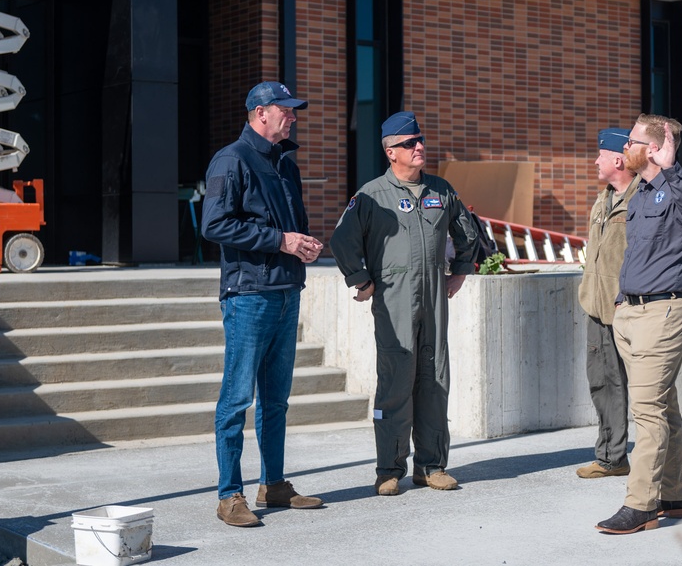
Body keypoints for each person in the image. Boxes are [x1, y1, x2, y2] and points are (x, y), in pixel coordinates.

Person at [329, 111, 481, 497]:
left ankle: (431, 466)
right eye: (409, 144)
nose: (419, 148)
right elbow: (343, 241)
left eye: (420, 141)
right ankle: (388, 469)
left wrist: (460, 270)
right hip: (394, 301)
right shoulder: (370, 195)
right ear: (390, 152)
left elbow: (467, 232)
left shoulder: (441, 191)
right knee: (396, 382)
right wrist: (360, 279)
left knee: (434, 380)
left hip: (433, 301)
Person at [201, 81, 325, 527]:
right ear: (260, 113)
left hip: (285, 292)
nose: (292, 117)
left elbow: (291, 228)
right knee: (237, 398)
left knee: (276, 400)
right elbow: (214, 224)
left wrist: (302, 246)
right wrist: (280, 240)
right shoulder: (231, 160)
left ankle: (274, 485)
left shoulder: (284, 163)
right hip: (249, 295)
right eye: (285, 110)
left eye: (293, 111)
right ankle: (229, 495)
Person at [596, 114, 682, 535]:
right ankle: (674, 495)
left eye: (631, 140)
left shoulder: (681, 187)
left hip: (663, 314)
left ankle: (641, 504)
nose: (624, 146)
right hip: (632, 312)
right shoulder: (640, 191)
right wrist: (622, 300)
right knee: (663, 406)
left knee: (646, 412)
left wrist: (672, 168)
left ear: (655, 147)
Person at [575, 128, 640, 480]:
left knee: (641, 390)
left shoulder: (640, 199)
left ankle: (642, 459)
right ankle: (611, 457)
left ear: (618, 159)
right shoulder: (603, 200)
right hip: (596, 308)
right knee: (602, 382)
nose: (595, 161)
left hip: (626, 308)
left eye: (600, 154)